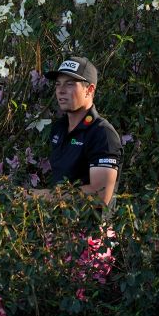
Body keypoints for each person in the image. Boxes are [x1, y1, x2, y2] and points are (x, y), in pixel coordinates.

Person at [30, 55, 122, 206]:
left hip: (89, 228)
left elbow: (100, 195)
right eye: (58, 84)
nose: (61, 91)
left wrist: (42, 196)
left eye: (70, 84)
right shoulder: (58, 128)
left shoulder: (103, 134)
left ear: (89, 89)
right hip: (58, 225)